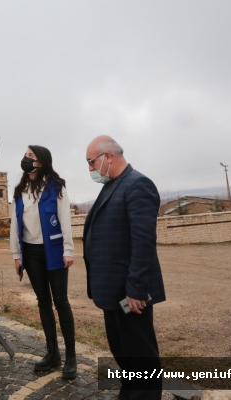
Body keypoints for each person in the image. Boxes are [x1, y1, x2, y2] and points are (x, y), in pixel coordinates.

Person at [83, 136, 166, 400]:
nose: (90, 169)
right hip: (112, 291)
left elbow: (143, 243)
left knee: (141, 357)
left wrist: (136, 289)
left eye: (91, 161)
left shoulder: (137, 184)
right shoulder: (113, 185)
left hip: (129, 292)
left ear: (108, 156)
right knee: (124, 353)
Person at [10, 145, 77, 379]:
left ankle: (71, 357)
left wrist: (68, 250)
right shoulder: (20, 189)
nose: (26, 159)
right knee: (43, 302)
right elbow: (14, 223)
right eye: (25, 155)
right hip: (31, 252)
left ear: (41, 162)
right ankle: (53, 353)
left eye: (31, 156)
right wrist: (16, 255)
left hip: (54, 251)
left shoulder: (56, 186)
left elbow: (65, 219)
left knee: (61, 302)